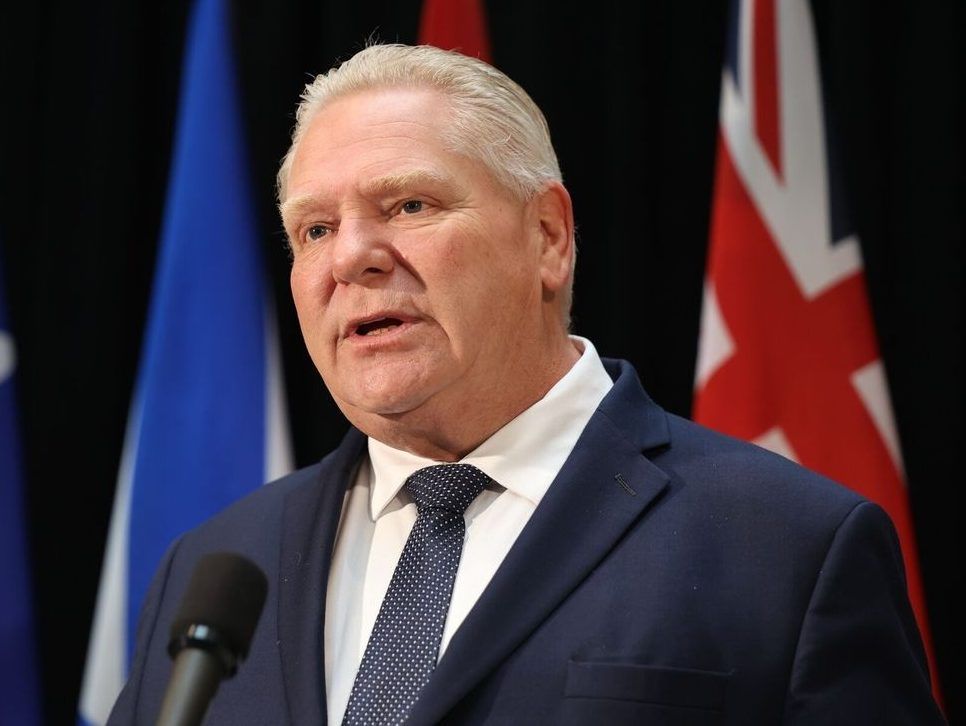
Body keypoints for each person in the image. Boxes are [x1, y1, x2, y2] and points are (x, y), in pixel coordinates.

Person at [108, 44, 944, 725]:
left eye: (409, 206)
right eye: (315, 229)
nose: (350, 256)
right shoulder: (216, 567)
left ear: (548, 237)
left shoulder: (788, 547)